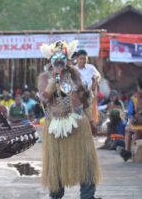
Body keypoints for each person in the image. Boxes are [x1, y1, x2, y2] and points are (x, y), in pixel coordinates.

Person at [38, 41, 101, 199]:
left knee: (86, 163)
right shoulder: (45, 77)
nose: (59, 63)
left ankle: (88, 196)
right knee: (56, 166)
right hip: (55, 127)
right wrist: (55, 79)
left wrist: (83, 90)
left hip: (78, 124)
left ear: (67, 59)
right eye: (56, 60)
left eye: (62, 59)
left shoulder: (75, 75)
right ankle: (56, 195)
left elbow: (86, 100)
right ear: (50, 60)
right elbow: (44, 99)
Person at [76, 50, 101, 135]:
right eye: (81, 58)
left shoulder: (91, 68)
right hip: (77, 96)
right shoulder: (73, 69)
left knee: (89, 116)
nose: (83, 60)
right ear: (77, 59)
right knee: (77, 116)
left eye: (84, 59)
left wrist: (96, 82)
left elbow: (98, 76)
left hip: (88, 95)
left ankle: (89, 134)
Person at [120, 78, 142, 162]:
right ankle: (127, 151)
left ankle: (132, 153)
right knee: (128, 130)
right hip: (137, 123)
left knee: (136, 132)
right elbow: (130, 113)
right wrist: (132, 118)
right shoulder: (134, 98)